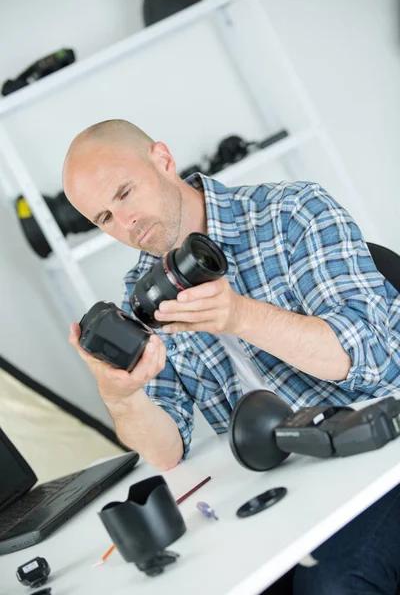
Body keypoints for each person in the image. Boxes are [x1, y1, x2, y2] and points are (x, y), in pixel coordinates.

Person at [62, 119, 400, 594]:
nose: (126, 224)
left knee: (334, 584)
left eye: (125, 194)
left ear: (162, 159)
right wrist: (121, 397)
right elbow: (166, 449)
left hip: (378, 448)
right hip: (285, 486)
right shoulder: (143, 292)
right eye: (104, 218)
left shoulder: (293, 212)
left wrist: (239, 315)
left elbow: (372, 357)